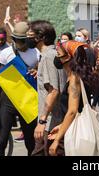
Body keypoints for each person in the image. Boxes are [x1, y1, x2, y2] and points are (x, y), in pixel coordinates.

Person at [0, 22, 40, 156]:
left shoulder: (36, 53)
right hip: (8, 99)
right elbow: (0, 76)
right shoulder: (6, 53)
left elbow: (41, 72)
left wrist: (37, 70)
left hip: (27, 99)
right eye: (17, 40)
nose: (20, 43)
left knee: (30, 139)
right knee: (2, 137)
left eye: (23, 40)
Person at [47, 40, 99, 156]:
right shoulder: (75, 77)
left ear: (68, 57)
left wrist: (56, 141)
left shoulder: (74, 80)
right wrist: (61, 126)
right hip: (69, 128)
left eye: (58, 54)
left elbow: (72, 111)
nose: (56, 57)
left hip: (73, 133)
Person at [27, 20, 67, 155]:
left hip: (51, 123)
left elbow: (54, 90)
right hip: (51, 121)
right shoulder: (49, 55)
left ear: (42, 37)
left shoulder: (49, 56)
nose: (27, 38)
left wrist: (42, 121)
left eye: (30, 34)